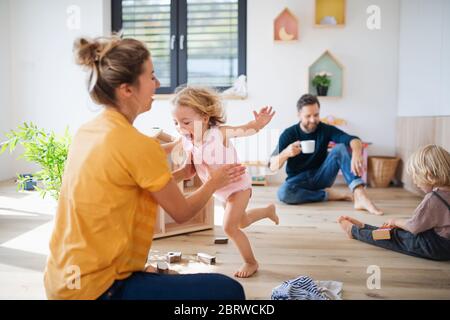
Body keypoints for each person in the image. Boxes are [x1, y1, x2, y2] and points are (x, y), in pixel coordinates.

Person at [43, 36, 247, 300]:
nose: (158, 84)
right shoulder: (138, 145)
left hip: (61, 280)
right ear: (127, 89)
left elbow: (127, 182)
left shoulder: (88, 131)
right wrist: (214, 182)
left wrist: (180, 171)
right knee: (229, 292)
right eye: (151, 76)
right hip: (96, 290)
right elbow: (183, 212)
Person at [172, 86, 279, 278]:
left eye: (185, 122)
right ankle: (267, 211)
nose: (181, 128)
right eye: (176, 123)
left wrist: (259, 122)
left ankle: (251, 262)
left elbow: (248, 129)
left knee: (230, 227)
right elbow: (190, 168)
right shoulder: (188, 140)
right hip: (220, 190)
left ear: (204, 118)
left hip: (238, 186)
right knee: (242, 222)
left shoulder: (219, 133)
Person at [269, 94, 383, 215]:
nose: (313, 120)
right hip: (298, 180)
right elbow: (272, 166)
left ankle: (360, 195)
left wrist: (356, 152)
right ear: (299, 115)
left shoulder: (325, 129)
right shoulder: (288, 134)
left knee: (340, 148)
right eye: (308, 116)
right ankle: (326, 194)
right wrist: (286, 153)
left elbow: (352, 139)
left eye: (316, 115)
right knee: (283, 193)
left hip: (321, 176)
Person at [338, 144, 450, 261]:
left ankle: (354, 231)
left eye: (416, 177)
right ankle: (364, 227)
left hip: (439, 247)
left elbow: (413, 226)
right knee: (398, 230)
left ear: (429, 176)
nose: (415, 182)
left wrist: (395, 221)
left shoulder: (433, 199)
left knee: (393, 237)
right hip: (443, 241)